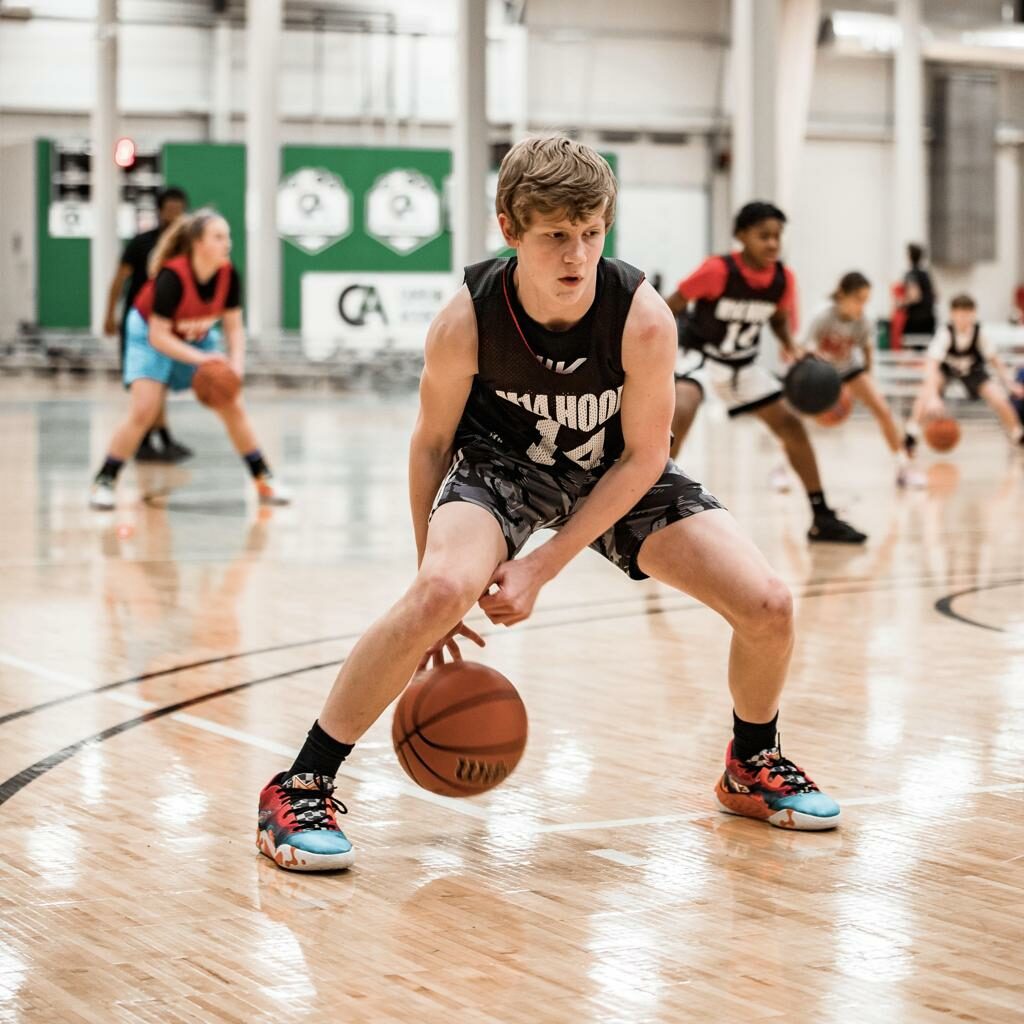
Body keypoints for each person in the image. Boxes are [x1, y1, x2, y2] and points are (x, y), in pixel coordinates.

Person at [255, 137, 841, 874]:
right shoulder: (466, 320)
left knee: (770, 605)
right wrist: (430, 585)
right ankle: (299, 783)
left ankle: (751, 763)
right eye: (556, 237)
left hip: (611, 469)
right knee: (438, 590)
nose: (576, 255)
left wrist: (544, 566)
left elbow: (645, 456)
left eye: (591, 234)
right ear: (511, 229)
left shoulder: (644, 318)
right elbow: (432, 443)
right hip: (502, 468)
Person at [666, 202, 868, 545]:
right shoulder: (717, 271)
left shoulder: (782, 279)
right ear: (741, 236)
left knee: (791, 425)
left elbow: (776, 317)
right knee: (680, 412)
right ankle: (650, 505)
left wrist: (790, 343)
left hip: (743, 366)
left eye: (777, 236)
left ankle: (822, 517)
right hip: (702, 357)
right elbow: (669, 306)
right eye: (764, 236)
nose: (773, 244)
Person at [89, 209, 291, 510]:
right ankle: (104, 481)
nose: (227, 243)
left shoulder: (227, 275)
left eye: (228, 237)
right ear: (198, 243)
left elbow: (234, 329)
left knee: (232, 403)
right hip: (148, 334)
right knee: (144, 410)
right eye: (219, 237)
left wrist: (234, 367)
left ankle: (263, 477)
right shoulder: (172, 276)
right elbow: (159, 336)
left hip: (193, 336)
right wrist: (204, 360)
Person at [806, 271, 924, 488]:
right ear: (842, 295)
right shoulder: (822, 315)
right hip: (820, 371)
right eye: (858, 300)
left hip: (849, 368)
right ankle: (782, 469)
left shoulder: (864, 320)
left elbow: (867, 352)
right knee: (796, 418)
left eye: (866, 301)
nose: (862, 306)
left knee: (883, 410)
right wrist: (821, 384)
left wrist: (867, 380)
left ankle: (903, 467)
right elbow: (804, 348)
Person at [103, 186, 193, 462]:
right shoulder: (142, 243)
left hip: (167, 323)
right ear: (159, 211)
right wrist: (109, 314)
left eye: (179, 209)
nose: (174, 214)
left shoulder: (185, 246)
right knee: (145, 384)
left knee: (161, 382)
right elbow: (119, 280)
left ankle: (162, 438)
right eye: (169, 209)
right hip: (140, 321)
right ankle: (142, 441)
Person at [909, 293, 1024, 447]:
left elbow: (995, 360)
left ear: (973, 314)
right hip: (947, 370)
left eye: (967, 314)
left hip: (973, 370)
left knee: (999, 397)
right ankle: (911, 433)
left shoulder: (979, 333)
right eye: (960, 315)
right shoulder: (945, 333)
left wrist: (1009, 383)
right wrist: (933, 396)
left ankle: (1018, 434)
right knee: (925, 394)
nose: (963, 319)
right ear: (952, 314)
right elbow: (931, 365)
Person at [900, 243, 937, 350]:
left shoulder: (911, 274)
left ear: (909, 256)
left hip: (916, 320)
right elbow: (935, 295)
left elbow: (915, 296)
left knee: (911, 352)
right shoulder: (926, 274)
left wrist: (900, 303)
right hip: (929, 318)